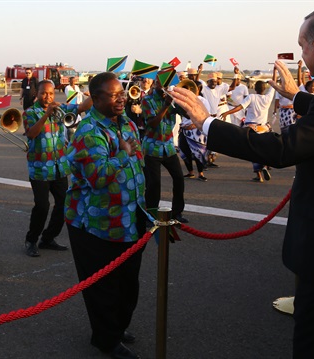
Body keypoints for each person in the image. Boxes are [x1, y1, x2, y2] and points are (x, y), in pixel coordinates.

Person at [168, 6, 314, 357]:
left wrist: (207, 123)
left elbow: (282, 149)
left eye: (303, 46)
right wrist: (297, 96)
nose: (303, 54)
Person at [65, 72, 146, 359]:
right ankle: (106, 340)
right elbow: (98, 177)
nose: (122, 97)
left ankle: (114, 327)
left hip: (128, 220)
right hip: (96, 224)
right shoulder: (89, 132)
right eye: (113, 94)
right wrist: (123, 154)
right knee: (104, 288)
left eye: (121, 92)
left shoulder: (127, 125)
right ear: (95, 99)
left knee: (128, 286)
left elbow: (139, 160)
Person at [23, 80, 92, 257]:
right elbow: (31, 134)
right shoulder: (30, 112)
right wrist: (46, 114)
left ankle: (48, 238)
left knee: (63, 204)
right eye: (44, 93)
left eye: (51, 93)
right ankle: (31, 239)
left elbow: (83, 107)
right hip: (39, 168)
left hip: (59, 167)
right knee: (42, 206)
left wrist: (94, 94)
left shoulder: (61, 108)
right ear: (36, 94)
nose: (48, 97)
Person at [141, 78, 188, 223]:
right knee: (154, 184)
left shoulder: (171, 99)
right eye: (163, 84)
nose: (165, 87)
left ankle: (177, 212)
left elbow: (187, 115)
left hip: (168, 147)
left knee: (179, 179)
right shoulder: (147, 100)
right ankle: (151, 215)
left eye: (168, 84)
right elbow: (153, 123)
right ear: (156, 84)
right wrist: (166, 105)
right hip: (152, 148)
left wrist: (181, 101)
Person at [220, 80, 276, 182]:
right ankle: (264, 166)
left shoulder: (251, 97)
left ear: (255, 88)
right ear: (264, 89)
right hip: (263, 128)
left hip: (251, 128)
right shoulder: (268, 98)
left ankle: (259, 176)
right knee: (263, 149)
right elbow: (274, 84)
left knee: (252, 151)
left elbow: (240, 107)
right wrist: (275, 72)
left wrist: (227, 113)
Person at [179, 81, 211, 181]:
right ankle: (190, 172)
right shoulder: (184, 100)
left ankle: (200, 173)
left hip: (196, 130)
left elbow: (206, 115)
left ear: (199, 89)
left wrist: (193, 125)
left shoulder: (203, 101)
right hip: (184, 129)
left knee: (198, 152)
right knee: (184, 150)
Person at [273, 61, 304, 133]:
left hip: (291, 111)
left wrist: (299, 68)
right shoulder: (279, 90)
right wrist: (275, 110)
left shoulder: (293, 88)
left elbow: (300, 81)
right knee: (284, 130)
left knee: (290, 130)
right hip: (283, 111)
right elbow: (277, 101)